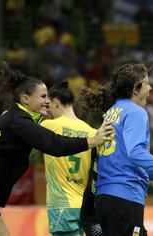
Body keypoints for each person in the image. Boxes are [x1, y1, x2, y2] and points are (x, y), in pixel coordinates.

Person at [0, 62, 113, 236]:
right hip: (80, 205)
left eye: (48, 97)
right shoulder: (18, 121)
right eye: (43, 96)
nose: (47, 101)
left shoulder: (14, 116)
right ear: (25, 99)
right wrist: (92, 140)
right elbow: (53, 144)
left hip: (61, 207)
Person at [80, 63, 153, 236]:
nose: (150, 87)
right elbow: (136, 154)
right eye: (146, 83)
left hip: (105, 200)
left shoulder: (111, 112)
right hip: (125, 198)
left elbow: (126, 160)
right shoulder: (136, 112)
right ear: (136, 88)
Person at [41, 81, 97, 236]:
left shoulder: (48, 127)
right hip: (85, 206)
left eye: (49, 105)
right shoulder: (92, 132)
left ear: (56, 102)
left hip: (61, 205)